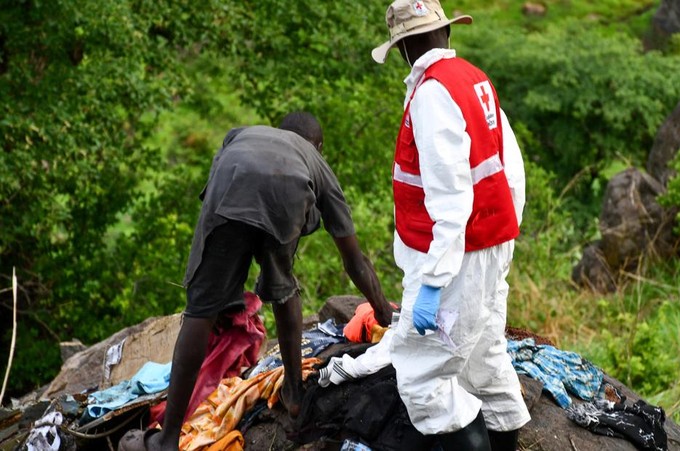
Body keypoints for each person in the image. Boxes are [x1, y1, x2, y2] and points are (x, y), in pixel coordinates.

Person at [120, 112, 394, 451]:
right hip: (289, 197)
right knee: (283, 289)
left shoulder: (241, 135)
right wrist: (383, 312)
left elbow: (221, 204)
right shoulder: (316, 163)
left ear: (278, 132)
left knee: (200, 312)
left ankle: (167, 439)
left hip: (229, 187)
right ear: (318, 147)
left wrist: (220, 300)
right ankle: (294, 393)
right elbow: (354, 259)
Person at [371, 1, 530, 450]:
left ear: (402, 47)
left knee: (423, 378)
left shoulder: (432, 94)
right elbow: (509, 168)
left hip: (458, 254)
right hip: (488, 242)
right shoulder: (474, 79)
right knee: (483, 356)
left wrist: (434, 283)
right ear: (444, 33)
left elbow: (451, 197)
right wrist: (503, 242)